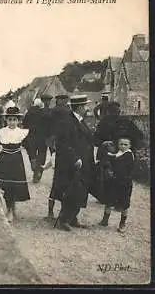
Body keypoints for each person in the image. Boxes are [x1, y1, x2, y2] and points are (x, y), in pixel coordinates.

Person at [54, 95, 96, 231]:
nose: (88, 108)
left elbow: (88, 139)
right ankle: (63, 219)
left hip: (84, 161)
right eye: (85, 106)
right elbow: (63, 143)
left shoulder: (81, 121)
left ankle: (73, 217)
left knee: (81, 189)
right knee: (71, 189)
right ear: (80, 107)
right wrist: (74, 158)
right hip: (72, 163)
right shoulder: (67, 122)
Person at [0, 106, 31, 223]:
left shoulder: (22, 133)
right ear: (6, 120)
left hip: (16, 161)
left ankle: (12, 209)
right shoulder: (1, 132)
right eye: (10, 120)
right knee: (5, 185)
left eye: (14, 120)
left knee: (14, 185)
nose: (12, 122)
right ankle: (8, 209)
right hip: (4, 160)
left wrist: (32, 160)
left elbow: (29, 147)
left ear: (18, 121)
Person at [98, 133, 135, 233]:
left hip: (125, 183)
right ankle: (105, 220)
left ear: (129, 146)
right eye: (121, 144)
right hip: (114, 181)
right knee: (109, 200)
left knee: (124, 203)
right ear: (118, 145)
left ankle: (122, 223)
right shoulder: (118, 153)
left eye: (125, 144)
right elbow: (109, 160)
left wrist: (111, 157)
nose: (123, 146)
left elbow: (121, 165)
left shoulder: (129, 155)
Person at [44, 94, 71, 221]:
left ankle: (50, 212)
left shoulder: (53, 111)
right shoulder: (68, 111)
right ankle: (63, 213)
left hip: (54, 140)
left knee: (56, 184)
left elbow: (48, 125)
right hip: (63, 143)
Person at [22, 98, 45, 182]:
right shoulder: (41, 112)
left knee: (32, 154)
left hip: (30, 136)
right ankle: (37, 170)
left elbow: (24, 123)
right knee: (41, 154)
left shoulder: (28, 112)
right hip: (40, 136)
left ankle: (34, 165)